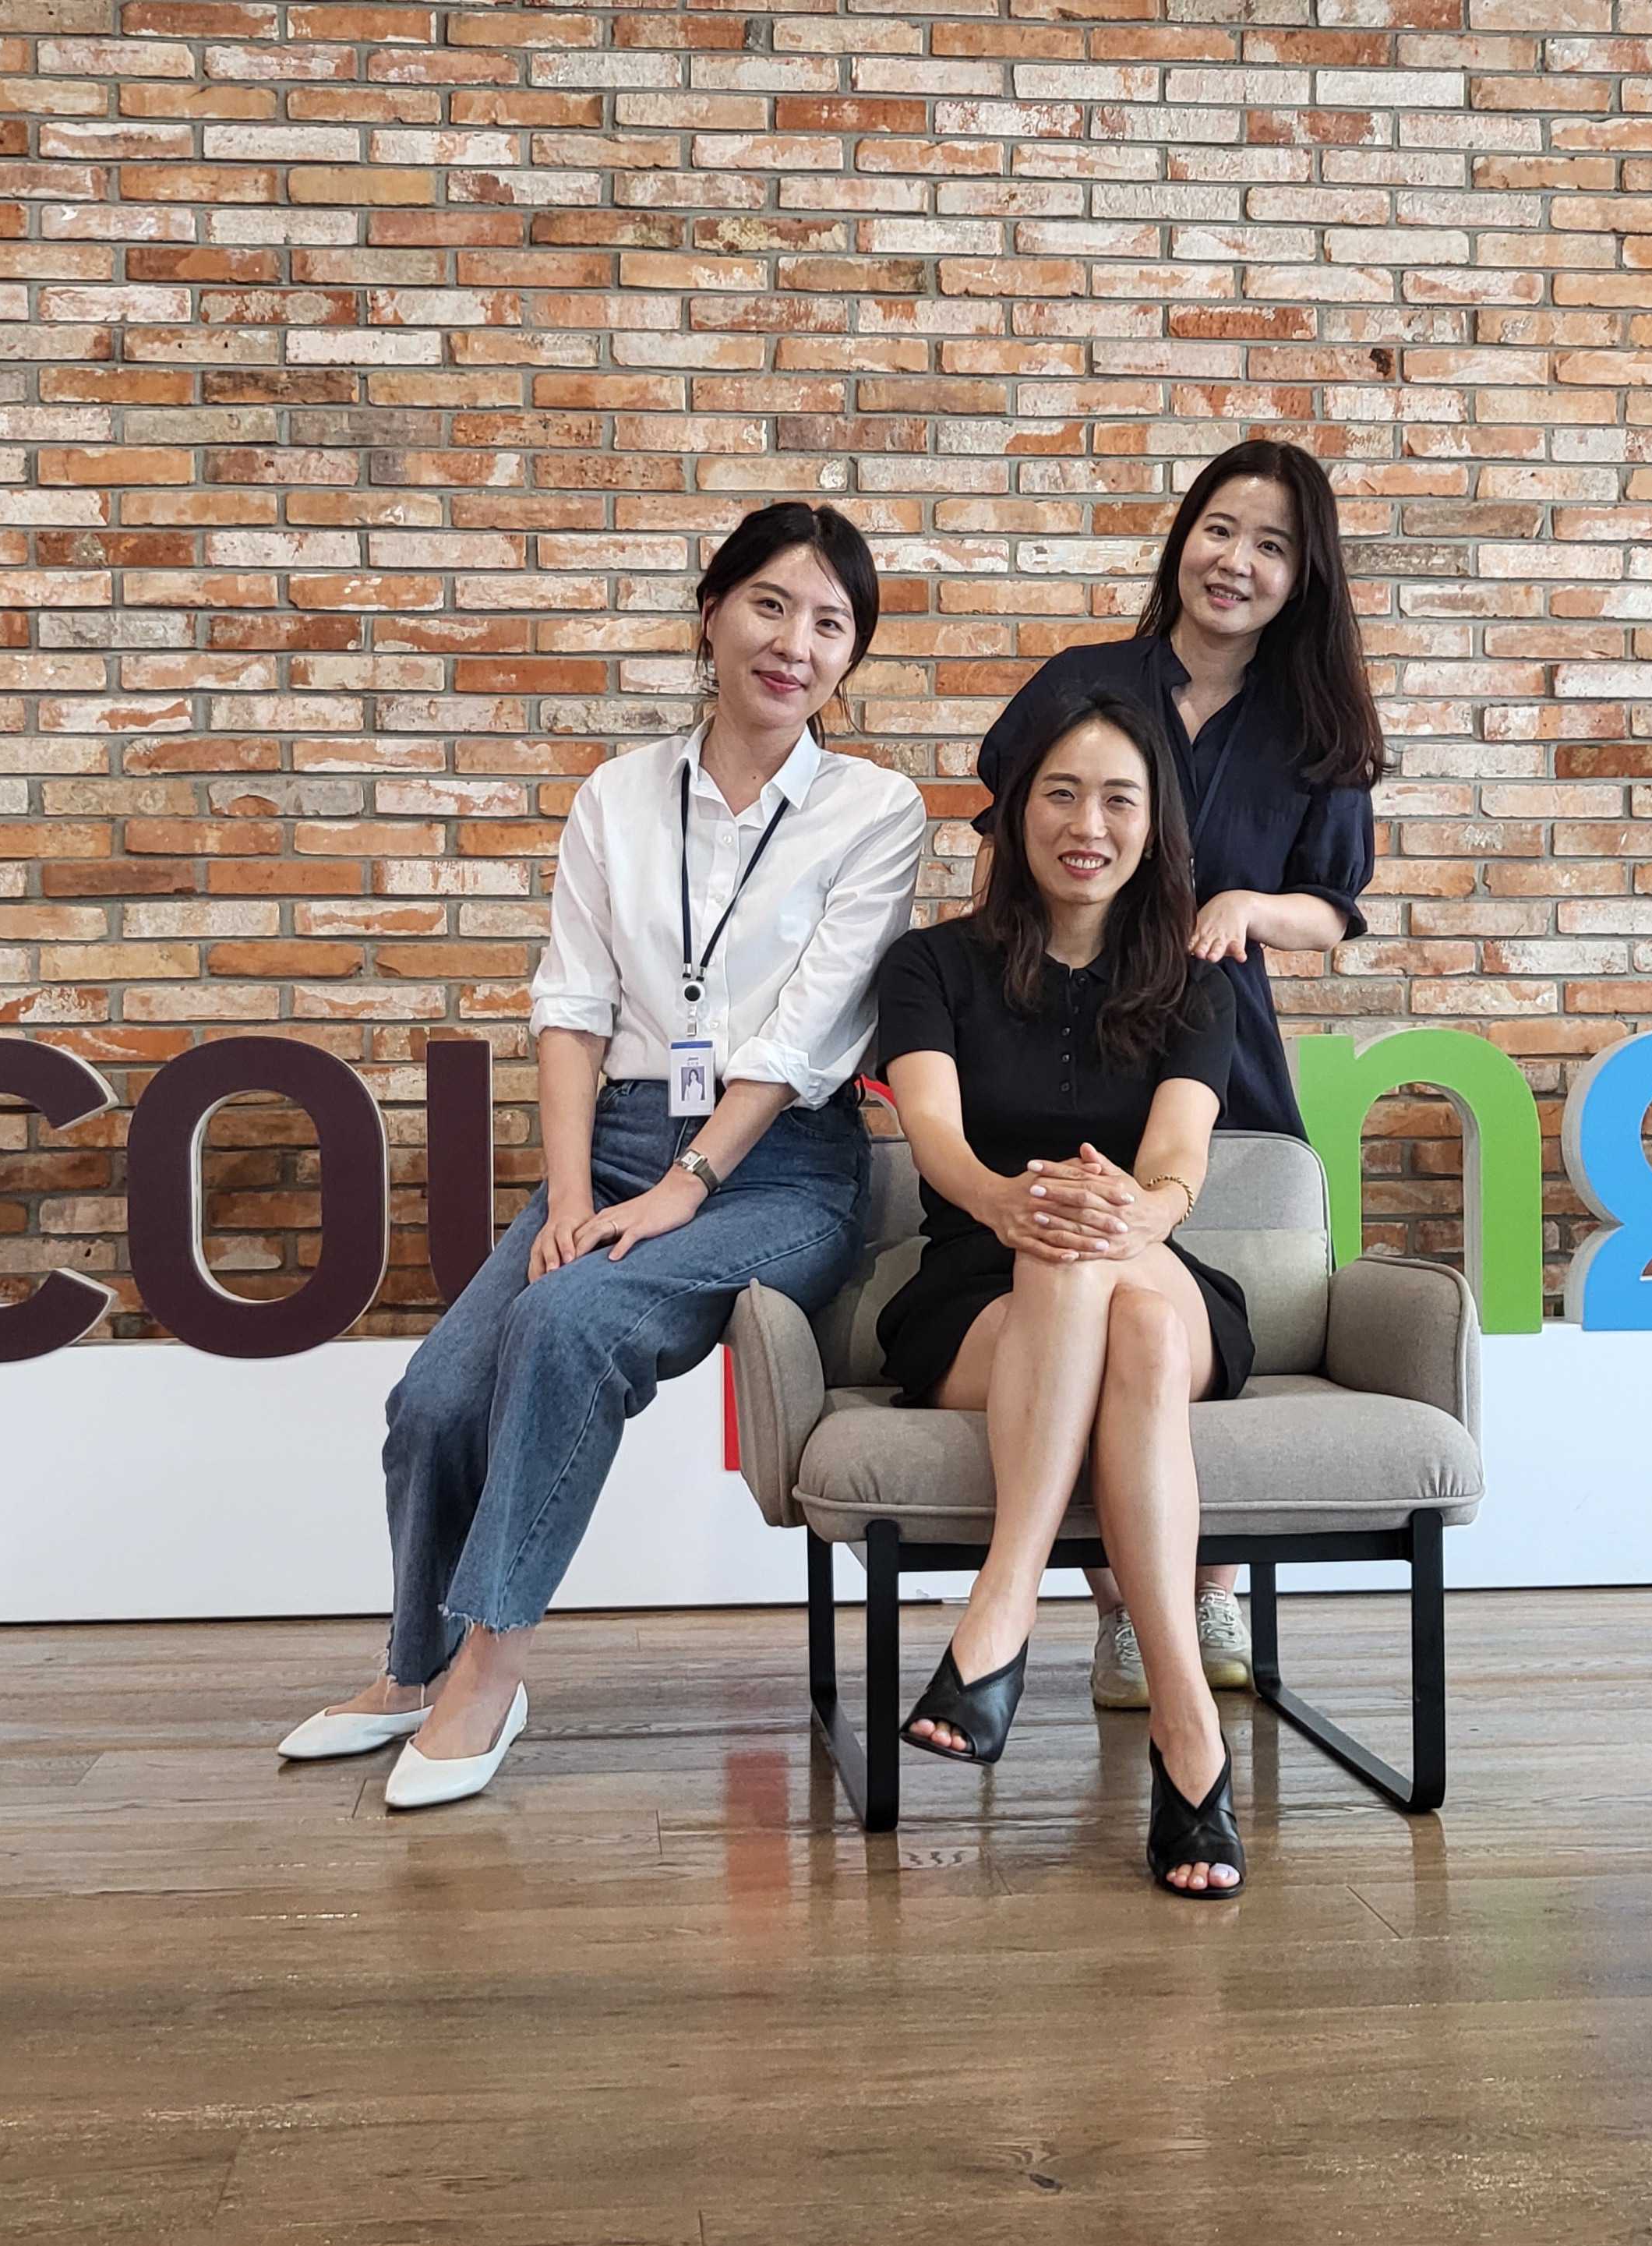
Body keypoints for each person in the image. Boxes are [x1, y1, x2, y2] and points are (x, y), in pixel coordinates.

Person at [276, 503, 927, 1808]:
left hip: (781, 1171)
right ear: (712, 612)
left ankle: (490, 1677)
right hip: (619, 1140)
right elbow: (570, 1011)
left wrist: (687, 1186)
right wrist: (573, 1195)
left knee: (571, 1323)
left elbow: (805, 1036)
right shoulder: (618, 796)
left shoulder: (877, 810)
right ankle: (413, 1665)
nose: (793, 643)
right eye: (769, 605)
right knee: (435, 1399)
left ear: (849, 660)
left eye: (830, 623)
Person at [971, 437, 1387, 1714]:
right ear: (1182, 537)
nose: (1238, 562)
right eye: (1221, 529)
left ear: (1302, 573)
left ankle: (1200, 1597)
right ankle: (1116, 1615)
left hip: (1218, 1064)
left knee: (1177, 1314)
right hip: (1061, 1046)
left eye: (1271, 544)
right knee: (1087, 1303)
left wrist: (1254, 905)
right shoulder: (1088, 685)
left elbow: (1339, 914)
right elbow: (1006, 852)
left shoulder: (1319, 729)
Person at [873, 684, 1251, 1898]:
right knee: (1087, 1275)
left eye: (1120, 799)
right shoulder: (932, 966)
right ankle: (1190, 1740)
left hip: (1151, 1258)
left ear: (1155, 829)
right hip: (981, 1291)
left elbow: (1180, 1155)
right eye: (1063, 792)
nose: (1089, 822)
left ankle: (1000, 1619)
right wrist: (1004, 1199)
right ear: (1016, 811)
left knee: (1110, 1262)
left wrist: (1142, 1211)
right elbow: (930, 1127)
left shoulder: (1196, 982)